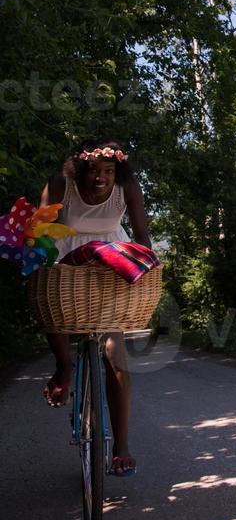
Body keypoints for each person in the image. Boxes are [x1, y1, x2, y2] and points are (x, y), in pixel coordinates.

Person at [40, 138, 152, 476]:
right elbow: (39, 229)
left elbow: (142, 234)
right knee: (50, 300)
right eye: (92, 170)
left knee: (114, 355)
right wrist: (38, 259)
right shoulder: (61, 185)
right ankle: (64, 367)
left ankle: (120, 445)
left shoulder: (127, 186)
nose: (99, 178)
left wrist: (147, 263)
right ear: (79, 169)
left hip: (111, 259)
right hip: (64, 257)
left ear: (117, 172)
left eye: (107, 171)